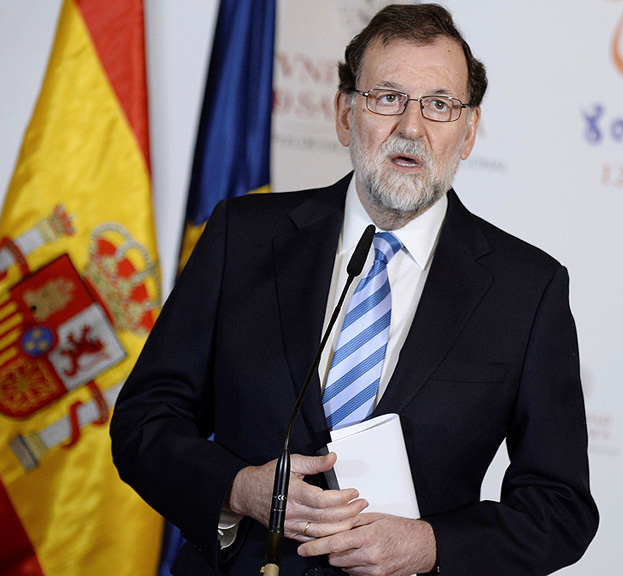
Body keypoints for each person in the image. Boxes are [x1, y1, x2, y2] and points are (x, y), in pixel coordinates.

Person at [110, 4, 598, 575]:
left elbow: (560, 508)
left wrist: (430, 545)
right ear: (345, 114)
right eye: (387, 98)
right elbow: (145, 420)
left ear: (468, 132)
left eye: (440, 105)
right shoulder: (241, 238)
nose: (411, 128)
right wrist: (239, 489)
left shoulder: (526, 291)